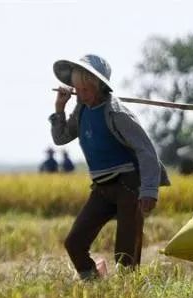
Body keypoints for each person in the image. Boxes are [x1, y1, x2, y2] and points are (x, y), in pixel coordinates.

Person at [49, 54, 170, 280]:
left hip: (128, 186)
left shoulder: (118, 113)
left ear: (99, 86)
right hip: (102, 188)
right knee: (74, 243)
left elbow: (147, 152)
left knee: (126, 256)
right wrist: (59, 109)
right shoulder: (82, 110)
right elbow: (62, 137)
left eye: (85, 89)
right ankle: (95, 284)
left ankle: (127, 296)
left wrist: (149, 191)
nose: (81, 94)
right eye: (78, 89)